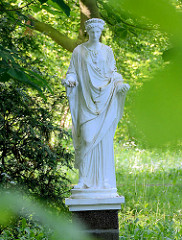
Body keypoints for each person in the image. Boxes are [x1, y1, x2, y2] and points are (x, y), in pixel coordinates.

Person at [63, 18, 130, 190]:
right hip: (86, 101)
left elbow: (113, 73)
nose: (94, 34)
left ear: (100, 32)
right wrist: (70, 79)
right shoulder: (79, 51)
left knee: (103, 141)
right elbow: (72, 72)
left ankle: (104, 181)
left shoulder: (107, 51)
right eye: (91, 31)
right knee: (86, 138)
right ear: (87, 32)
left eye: (97, 32)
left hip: (105, 99)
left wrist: (120, 85)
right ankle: (83, 180)